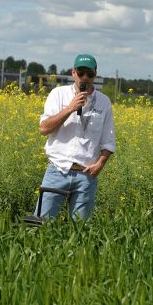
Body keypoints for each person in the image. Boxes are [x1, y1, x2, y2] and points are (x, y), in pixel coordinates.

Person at [36, 54, 116, 220]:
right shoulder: (58, 94)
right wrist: (70, 108)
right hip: (57, 170)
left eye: (89, 74)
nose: (84, 77)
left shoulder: (104, 102)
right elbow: (44, 128)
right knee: (41, 225)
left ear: (95, 75)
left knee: (80, 232)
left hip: (86, 175)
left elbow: (108, 141)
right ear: (73, 73)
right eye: (81, 73)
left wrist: (100, 164)